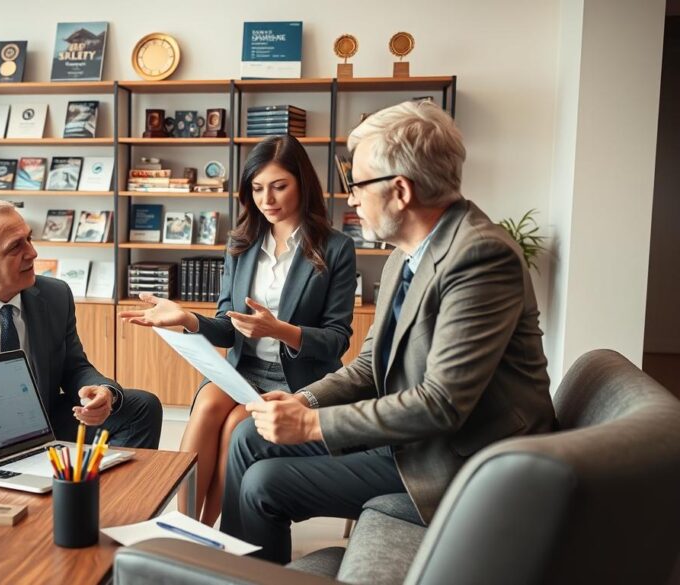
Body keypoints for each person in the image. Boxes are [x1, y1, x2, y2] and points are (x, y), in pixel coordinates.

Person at [219, 100, 556, 563]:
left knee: (264, 482)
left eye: (356, 184)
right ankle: (236, 571)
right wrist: (305, 401)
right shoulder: (404, 253)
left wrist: (312, 424)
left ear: (399, 190)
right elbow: (365, 367)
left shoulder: (481, 257)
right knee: (249, 436)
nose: (352, 198)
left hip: (457, 459)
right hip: (406, 436)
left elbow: (442, 405)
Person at [119, 135, 358, 524]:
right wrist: (187, 319)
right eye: (258, 188)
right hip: (241, 369)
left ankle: (212, 531)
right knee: (209, 406)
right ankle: (182, 526)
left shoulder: (335, 248)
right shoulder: (242, 243)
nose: (268, 199)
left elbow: (336, 340)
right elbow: (228, 328)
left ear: (303, 183)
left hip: (297, 378)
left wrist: (280, 330)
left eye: (280, 186)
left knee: (235, 426)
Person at [0, 199, 163, 477]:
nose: (33, 252)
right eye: (16, 246)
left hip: (42, 421)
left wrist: (102, 391)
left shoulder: (55, 295)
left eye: (29, 239)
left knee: (141, 407)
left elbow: (74, 367)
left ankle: (102, 504)